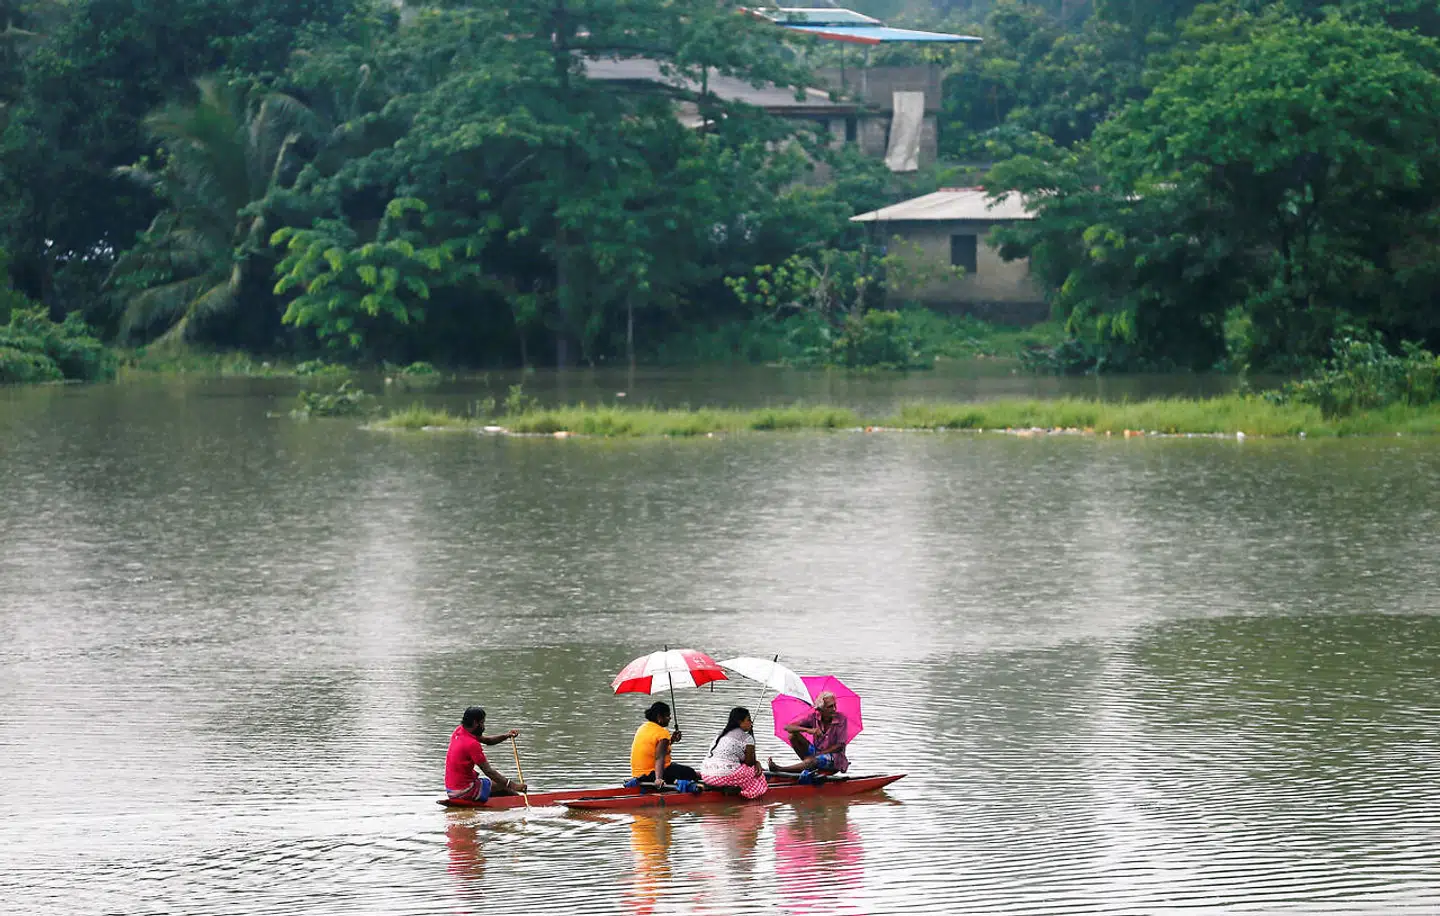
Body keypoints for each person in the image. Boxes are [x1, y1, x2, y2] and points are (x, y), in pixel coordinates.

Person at [445, 706, 528, 802]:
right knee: (504, 786)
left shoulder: (459, 731)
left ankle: (495, 804)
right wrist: (514, 786)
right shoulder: (472, 744)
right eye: (482, 723)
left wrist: (507, 736)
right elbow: (488, 771)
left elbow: (488, 741)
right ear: (476, 723)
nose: (484, 727)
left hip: (451, 790)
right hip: (464, 791)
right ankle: (523, 803)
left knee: (496, 786)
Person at [768, 690, 850, 775]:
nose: (834, 709)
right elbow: (788, 727)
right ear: (821, 709)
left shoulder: (841, 719)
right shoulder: (814, 717)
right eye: (830, 706)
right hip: (816, 753)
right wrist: (809, 730)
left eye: (834, 705)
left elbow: (840, 746)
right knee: (793, 735)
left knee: (813, 760)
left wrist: (818, 755)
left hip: (834, 758)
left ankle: (780, 769)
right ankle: (807, 763)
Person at [699, 706, 768, 799]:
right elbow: (749, 763)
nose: (751, 722)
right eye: (748, 720)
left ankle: (731, 787)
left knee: (744, 768)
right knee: (755, 771)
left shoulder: (721, 734)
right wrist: (751, 738)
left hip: (706, 775)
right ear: (740, 722)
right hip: (723, 777)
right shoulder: (747, 738)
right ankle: (748, 793)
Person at [630, 700, 699, 785]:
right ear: (659, 717)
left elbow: (655, 749)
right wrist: (658, 779)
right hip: (652, 775)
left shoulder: (643, 727)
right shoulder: (662, 733)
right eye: (667, 716)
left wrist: (672, 740)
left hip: (638, 775)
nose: (670, 718)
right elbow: (659, 757)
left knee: (676, 767)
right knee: (690, 772)